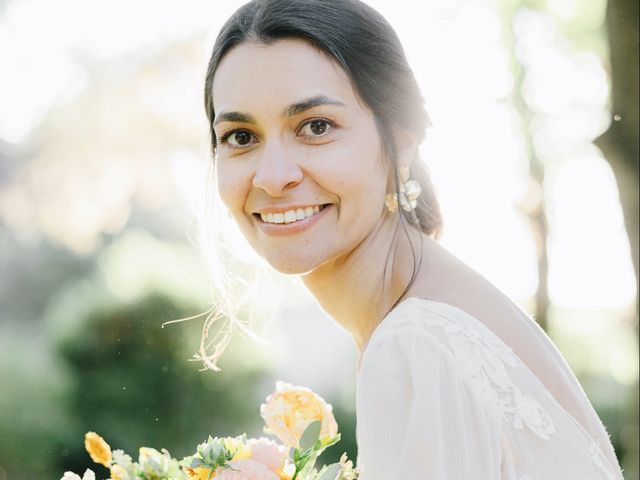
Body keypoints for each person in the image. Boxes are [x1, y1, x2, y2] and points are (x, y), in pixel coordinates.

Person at [202, 0, 625, 478]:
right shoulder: (438, 309)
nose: (273, 177)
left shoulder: (416, 343)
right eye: (240, 137)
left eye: (316, 127)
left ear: (402, 137)